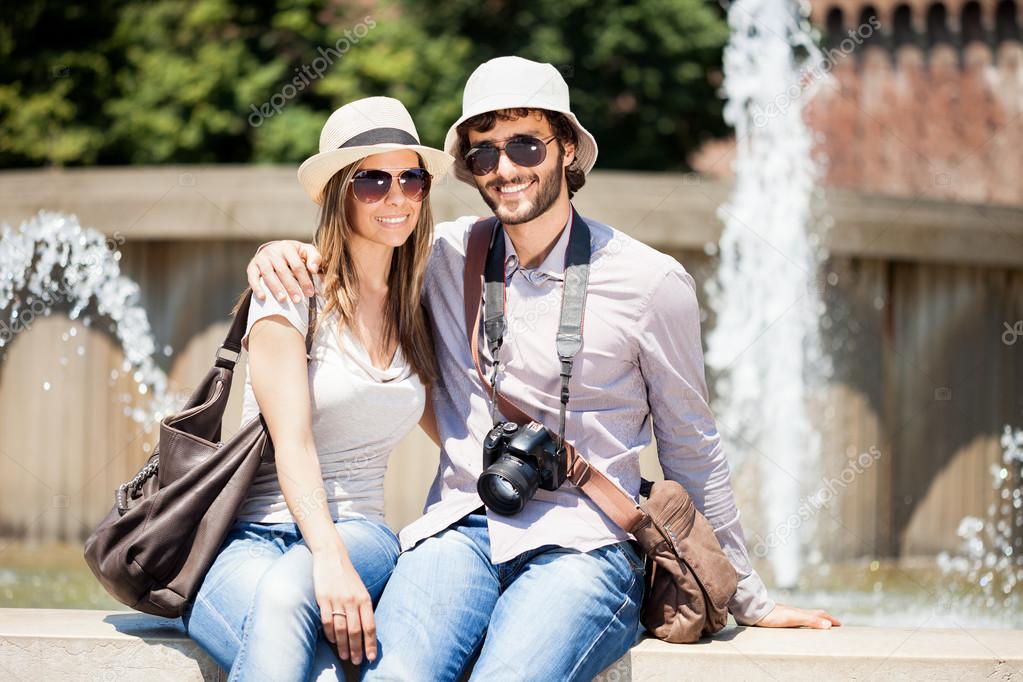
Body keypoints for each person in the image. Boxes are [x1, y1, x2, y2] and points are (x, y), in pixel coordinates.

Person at [247, 57, 840, 681]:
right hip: (461, 528)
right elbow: (362, 247)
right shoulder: (448, 256)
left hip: (585, 549)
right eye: (483, 154)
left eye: (526, 144)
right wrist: (279, 253)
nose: (505, 169)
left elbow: (693, 446)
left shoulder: (651, 283)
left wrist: (745, 594)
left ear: (566, 151)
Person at [183, 96, 454, 681]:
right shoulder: (289, 290)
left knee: (288, 594)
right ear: (337, 191)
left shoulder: (418, 306)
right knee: (317, 658)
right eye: (372, 180)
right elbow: (293, 443)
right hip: (250, 540)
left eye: (412, 178)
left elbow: (457, 426)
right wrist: (324, 558)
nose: (397, 196)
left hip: (360, 531)